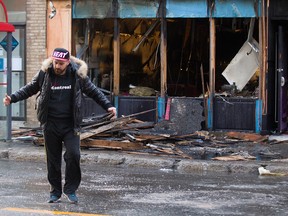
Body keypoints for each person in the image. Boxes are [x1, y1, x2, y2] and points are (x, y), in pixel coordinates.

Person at [3, 48, 117, 204]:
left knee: (74, 155)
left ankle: (70, 190)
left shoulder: (78, 76)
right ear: (52, 60)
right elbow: (30, 88)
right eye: (56, 62)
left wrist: (108, 105)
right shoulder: (45, 73)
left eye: (61, 63)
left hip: (71, 125)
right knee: (53, 160)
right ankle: (55, 192)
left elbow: (93, 91)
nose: (57, 66)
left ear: (68, 62)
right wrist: (13, 98)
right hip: (50, 124)